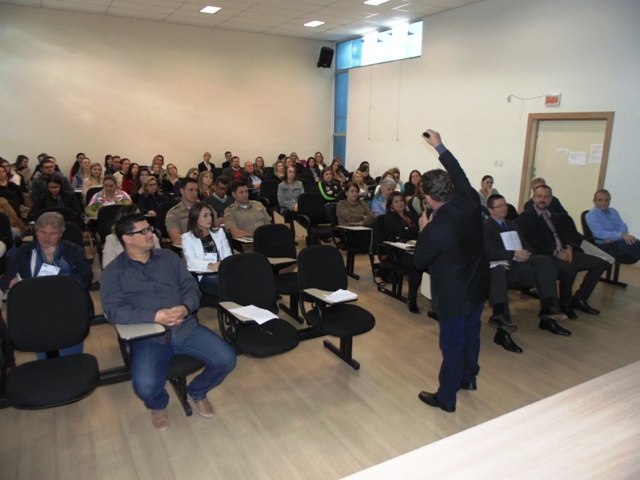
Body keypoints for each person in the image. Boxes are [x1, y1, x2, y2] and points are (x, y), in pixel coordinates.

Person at [101, 213, 236, 431]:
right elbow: (112, 310)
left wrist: (185, 307)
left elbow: (190, 286)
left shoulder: (168, 258)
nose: (150, 234)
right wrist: (154, 316)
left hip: (185, 327)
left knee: (226, 358)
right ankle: (158, 404)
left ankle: (197, 391)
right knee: (144, 386)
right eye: (143, 231)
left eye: (150, 229)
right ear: (127, 238)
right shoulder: (113, 272)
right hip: (148, 334)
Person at [413, 129, 489, 413]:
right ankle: (468, 378)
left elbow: (419, 261)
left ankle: (446, 397)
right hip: (477, 285)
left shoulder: (436, 228)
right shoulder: (469, 199)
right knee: (472, 335)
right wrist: (440, 146)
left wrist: (423, 230)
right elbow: (459, 172)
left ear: (430, 198)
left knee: (453, 344)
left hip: (453, 296)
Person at [484, 194, 571, 354]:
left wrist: (526, 253)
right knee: (498, 272)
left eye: (505, 205)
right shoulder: (486, 226)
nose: (504, 208)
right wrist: (513, 255)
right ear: (490, 210)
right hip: (500, 266)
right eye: (499, 206)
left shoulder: (512, 224)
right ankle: (502, 327)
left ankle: (548, 311)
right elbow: (489, 251)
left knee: (545, 262)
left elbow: (526, 244)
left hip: (519, 263)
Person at [0, 212, 93, 357]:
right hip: (35, 308)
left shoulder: (74, 251)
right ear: (36, 232)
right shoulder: (24, 252)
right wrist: (12, 283)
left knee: (71, 353)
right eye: (42, 232)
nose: (46, 238)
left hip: (68, 305)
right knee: (44, 351)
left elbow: (86, 279)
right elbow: (6, 280)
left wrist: (59, 282)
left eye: (53, 234)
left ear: (61, 234)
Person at [518, 184, 608, 319]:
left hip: (565, 252)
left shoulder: (555, 216)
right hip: (546, 255)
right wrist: (556, 253)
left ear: (551, 199)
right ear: (533, 198)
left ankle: (580, 299)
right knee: (569, 269)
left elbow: (566, 235)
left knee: (600, 263)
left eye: (546, 197)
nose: (542, 199)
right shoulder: (526, 217)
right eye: (539, 196)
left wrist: (569, 248)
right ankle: (564, 304)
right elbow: (532, 243)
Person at [182, 202, 232, 299]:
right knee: (227, 286)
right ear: (195, 218)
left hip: (223, 271)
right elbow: (191, 262)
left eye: (210, 215)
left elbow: (228, 255)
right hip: (205, 276)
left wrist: (223, 265)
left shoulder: (219, 233)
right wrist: (210, 265)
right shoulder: (187, 238)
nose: (209, 218)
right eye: (205, 216)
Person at [383, 192, 421, 313]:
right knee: (416, 266)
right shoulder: (389, 218)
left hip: (413, 248)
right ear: (391, 206)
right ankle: (412, 299)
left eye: (401, 201)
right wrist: (413, 232)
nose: (400, 204)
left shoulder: (411, 215)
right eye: (396, 202)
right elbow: (402, 233)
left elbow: (420, 230)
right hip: (396, 251)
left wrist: (412, 232)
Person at [585, 188, 640, 261]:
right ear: (594, 201)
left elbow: (623, 226)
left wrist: (615, 237)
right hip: (603, 245)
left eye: (606, 200)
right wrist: (621, 235)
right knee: (634, 245)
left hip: (615, 241)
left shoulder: (613, 211)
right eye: (600, 200)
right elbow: (599, 233)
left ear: (609, 201)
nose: (604, 203)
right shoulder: (591, 215)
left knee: (635, 242)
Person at [165, 177, 199, 246]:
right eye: (191, 190)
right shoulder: (174, 213)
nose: (194, 193)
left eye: (196, 190)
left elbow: (216, 230)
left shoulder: (206, 209)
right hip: (188, 249)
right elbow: (176, 239)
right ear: (182, 191)